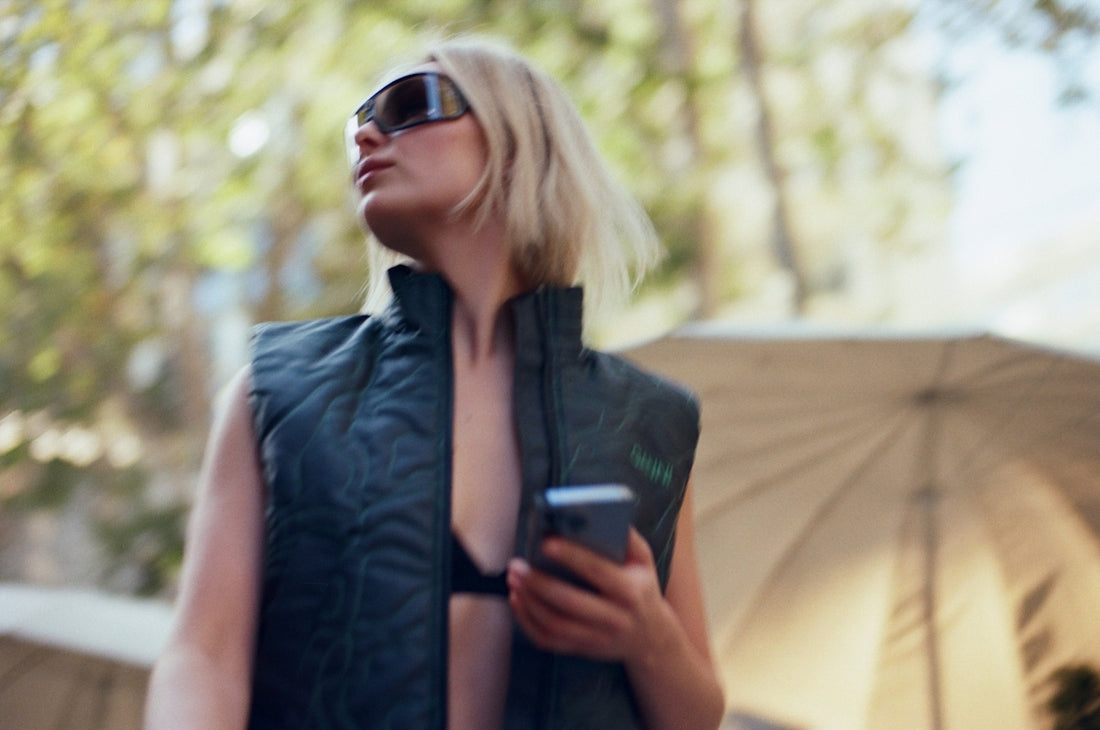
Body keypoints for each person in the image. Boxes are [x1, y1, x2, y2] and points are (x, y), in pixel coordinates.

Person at [145, 35, 725, 730]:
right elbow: (202, 658)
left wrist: (647, 635)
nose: (365, 134)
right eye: (360, 119)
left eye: (409, 104)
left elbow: (698, 714)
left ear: (518, 143)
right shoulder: (274, 393)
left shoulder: (648, 421)